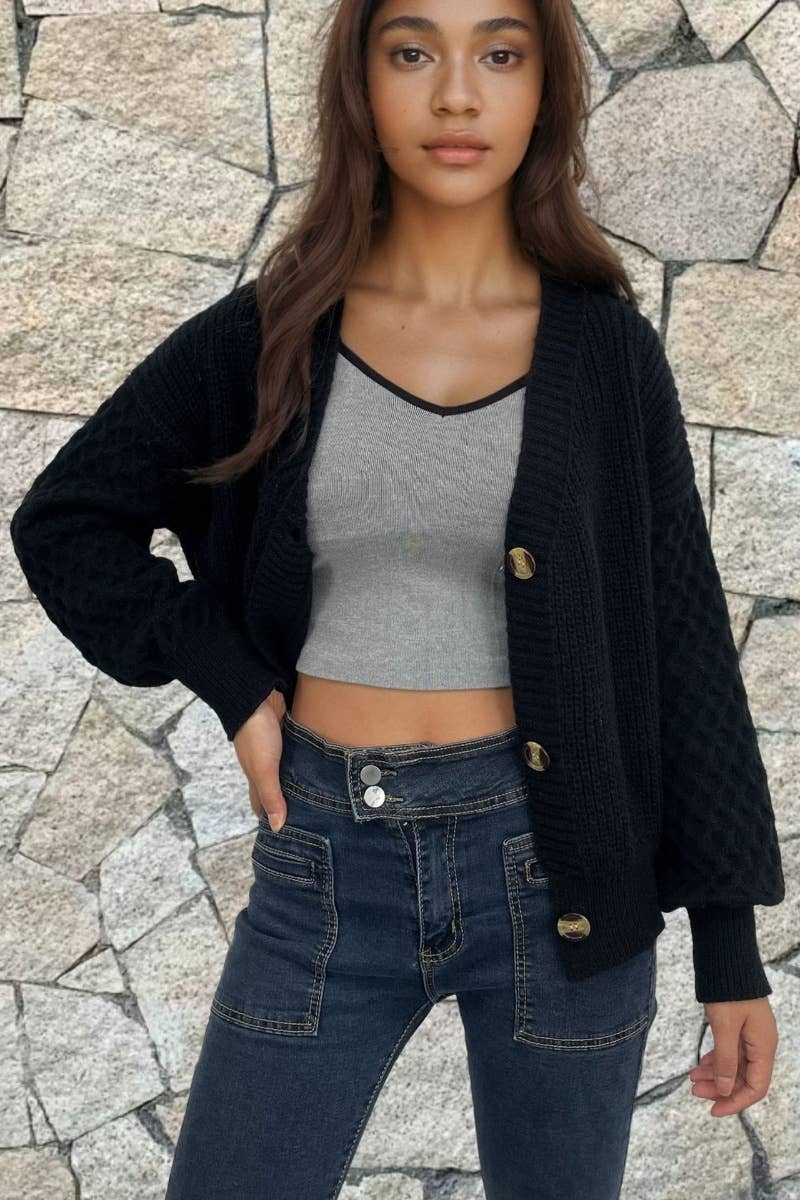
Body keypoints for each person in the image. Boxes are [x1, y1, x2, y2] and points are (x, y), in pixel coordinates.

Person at [9, 1, 785, 1197]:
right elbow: (66, 519)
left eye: (499, 54)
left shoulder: (605, 354)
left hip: (559, 875)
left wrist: (729, 950)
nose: (456, 93)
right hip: (326, 862)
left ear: (543, 91)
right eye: (412, 51)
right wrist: (233, 683)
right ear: (362, 86)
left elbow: (679, 639)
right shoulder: (272, 333)